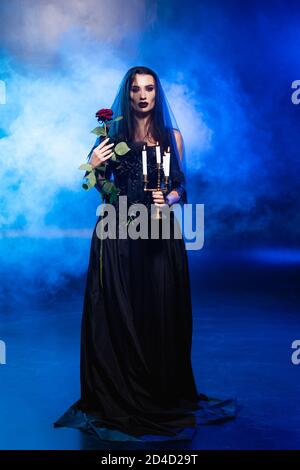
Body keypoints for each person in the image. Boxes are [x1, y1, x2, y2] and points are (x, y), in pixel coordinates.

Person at [54, 66, 236, 442]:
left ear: (157, 94)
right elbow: (97, 185)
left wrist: (167, 198)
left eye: (149, 89)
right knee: (120, 312)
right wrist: (93, 167)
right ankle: (120, 388)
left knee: (160, 309)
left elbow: (180, 186)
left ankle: (159, 388)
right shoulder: (111, 136)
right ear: (128, 94)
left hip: (159, 233)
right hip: (118, 233)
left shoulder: (173, 137)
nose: (142, 95)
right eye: (136, 89)